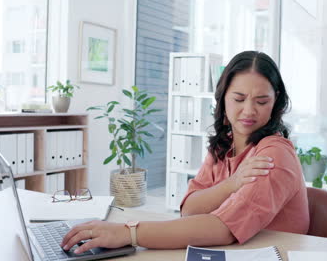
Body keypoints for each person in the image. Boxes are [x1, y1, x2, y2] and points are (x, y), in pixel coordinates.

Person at [61, 51, 309, 254]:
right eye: (239, 99)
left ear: (276, 101)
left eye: (262, 101)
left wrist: (129, 232)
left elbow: (223, 228)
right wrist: (232, 183)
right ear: (223, 99)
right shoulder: (226, 143)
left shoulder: (274, 155)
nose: (248, 111)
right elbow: (190, 209)